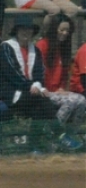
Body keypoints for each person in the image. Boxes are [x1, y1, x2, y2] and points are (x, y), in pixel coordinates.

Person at [0, 15, 58, 152]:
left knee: (39, 108)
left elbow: (39, 73)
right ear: (16, 31)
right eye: (22, 29)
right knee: (42, 101)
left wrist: (38, 86)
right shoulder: (6, 48)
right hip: (11, 93)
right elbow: (13, 74)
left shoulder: (35, 50)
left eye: (29, 29)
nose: (26, 32)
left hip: (31, 94)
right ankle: (59, 133)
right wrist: (33, 86)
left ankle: (34, 146)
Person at [35, 14, 85, 150]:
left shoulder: (62, 48)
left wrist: (62, 88)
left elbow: (63, 75)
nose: (65, 33)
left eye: (67, 30)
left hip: (57, 91)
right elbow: (37, 72)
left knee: (81, 101)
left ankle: (69, 136)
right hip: (44, 91)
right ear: (54, 29)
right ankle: (51, 134)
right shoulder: (42, 45)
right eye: (62, 29)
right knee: (72, 101)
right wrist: (45, 88)